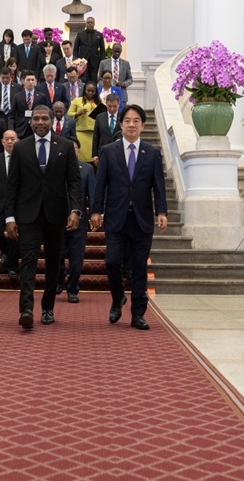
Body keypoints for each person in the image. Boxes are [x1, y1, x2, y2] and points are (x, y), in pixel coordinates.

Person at [3, 105, 82, 329]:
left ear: (51, 121)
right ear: (30, 122)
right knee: (28, 261)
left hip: (56, 214)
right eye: (36, 118)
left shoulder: (65, 146)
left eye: (44, 118)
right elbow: (12, 185)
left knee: (54, 262)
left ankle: (48, 307)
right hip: (27, 215)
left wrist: (75, 210)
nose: (40, 122)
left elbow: (74, 181)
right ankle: (26, 310)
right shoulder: (20, 147)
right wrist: (9, 217)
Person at [90, 104, 167, 330]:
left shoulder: (152, 153)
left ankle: (138, 313)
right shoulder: (108, 151)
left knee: (139, 267)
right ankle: (118, 298)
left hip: (142, 220)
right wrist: (95, 211)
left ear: (143, 125)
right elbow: (100, 184)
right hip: (116, 218)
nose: (131, 125)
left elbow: (158, 186)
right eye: (127, 121)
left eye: (136, 121)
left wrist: (161, 212)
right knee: (112, 262)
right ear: (121, 125)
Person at [61, 138, 95, 303]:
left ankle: (72, 288)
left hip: (79, 221)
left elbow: (92, 194)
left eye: (74, 147)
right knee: (57, 255)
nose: (71, 150)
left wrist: (95, 213)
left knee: (77, 259)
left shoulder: (87, 169)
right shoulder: (56, 167)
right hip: (57, 220)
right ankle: (60, 278)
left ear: (78, 151)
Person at [0, 130, 20, 279]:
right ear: (2, 142)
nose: (10, 141)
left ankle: (13, 267)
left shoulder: (23, 158)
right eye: (7, 139)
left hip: (17, 205)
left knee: (14, 235)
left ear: (17, 141)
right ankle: (7, 252)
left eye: (12, 139)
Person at [9, 70, 49, 140]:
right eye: (28, 80)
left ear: (36, 81)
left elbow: (46, 113)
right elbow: (12, 115)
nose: (30, 82)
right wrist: (11, 130)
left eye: (32, 80)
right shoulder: (17, 96)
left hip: (37, 128)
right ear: (23, 81)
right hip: (21, 129)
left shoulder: (41, 96)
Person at [68, 81, 101, 164]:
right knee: (81, 158)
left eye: (93, 91)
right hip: (80, 133)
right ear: (84, 90)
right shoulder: (77, 100)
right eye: (88, 90)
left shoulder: (99, 102)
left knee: (93, 159)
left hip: (94, 134)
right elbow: (68, 115)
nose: (90, 93)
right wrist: (77, 113)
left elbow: (104, 116)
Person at [92, 93, 122, 167]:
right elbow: (96, 137)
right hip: (103, 152)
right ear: (106, 104)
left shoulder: (123, 117)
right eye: (109, 106)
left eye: (114, 106)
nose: (112, 109)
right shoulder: (99, 117)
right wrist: (95, 155)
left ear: (119, 104)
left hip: (119, 152)